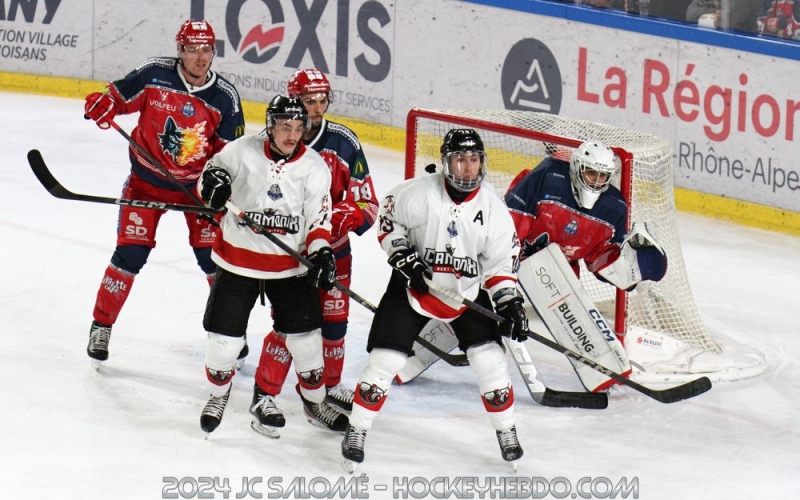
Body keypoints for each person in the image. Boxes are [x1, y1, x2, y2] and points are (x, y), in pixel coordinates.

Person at [340, 129, 529, 470]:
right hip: (413, 287)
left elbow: (500, 265)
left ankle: (506, 430)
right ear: (446, 163)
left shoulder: (494, 210)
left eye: (474, 160)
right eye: (460, 159)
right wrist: (402, 256)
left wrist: (509, 303)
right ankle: (357, 429)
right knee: (384, 363)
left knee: (491, 363)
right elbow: (388, 223)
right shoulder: (416, 193)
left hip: (465, 293)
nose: (468, 168)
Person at [82, 20, 245, 368]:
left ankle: (228, 333)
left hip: (197, 191)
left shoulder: (225, 97)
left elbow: (231, 153)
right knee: (130, 254)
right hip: (147, 182)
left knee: (213, 260)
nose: (200, 58)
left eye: (206, 50)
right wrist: (102, 104)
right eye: (192, 49)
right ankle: (102, 325)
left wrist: (220, 185)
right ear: (180, 51)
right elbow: (116, 98)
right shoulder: (155, 74)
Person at [197, 95, 349, 436]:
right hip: (238, 259)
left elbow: (318, 220)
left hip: (289, 267)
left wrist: (322, 251)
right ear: (270, 126)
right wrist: (214, 187)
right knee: (224, 343)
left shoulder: (314, 166)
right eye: (284, 127)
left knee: (307, 342)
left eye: (298, 128)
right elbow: (209, 177)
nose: (292, 135)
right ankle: (218, 394)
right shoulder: (240, 151)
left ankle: (314, 403)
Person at [252, 68, 379, 426]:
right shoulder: (274, 138)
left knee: (335, 327)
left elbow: (367, 203)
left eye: (323, 100)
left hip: (333, 253)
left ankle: (322, 394)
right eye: (310, 101)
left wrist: (337, 220)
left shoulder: (343, 141)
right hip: (291, 256)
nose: (318, 108)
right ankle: (264, 395)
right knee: (291, 327)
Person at [504, 140, 667, 296]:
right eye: (591, 173)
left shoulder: (614, 207)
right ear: (577, 167)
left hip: (559, 274)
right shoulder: (549, 177)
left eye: (602, 176)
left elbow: (599, 260)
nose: (596, 182)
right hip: (512, 255)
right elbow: (511, 223)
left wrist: (638, 265)